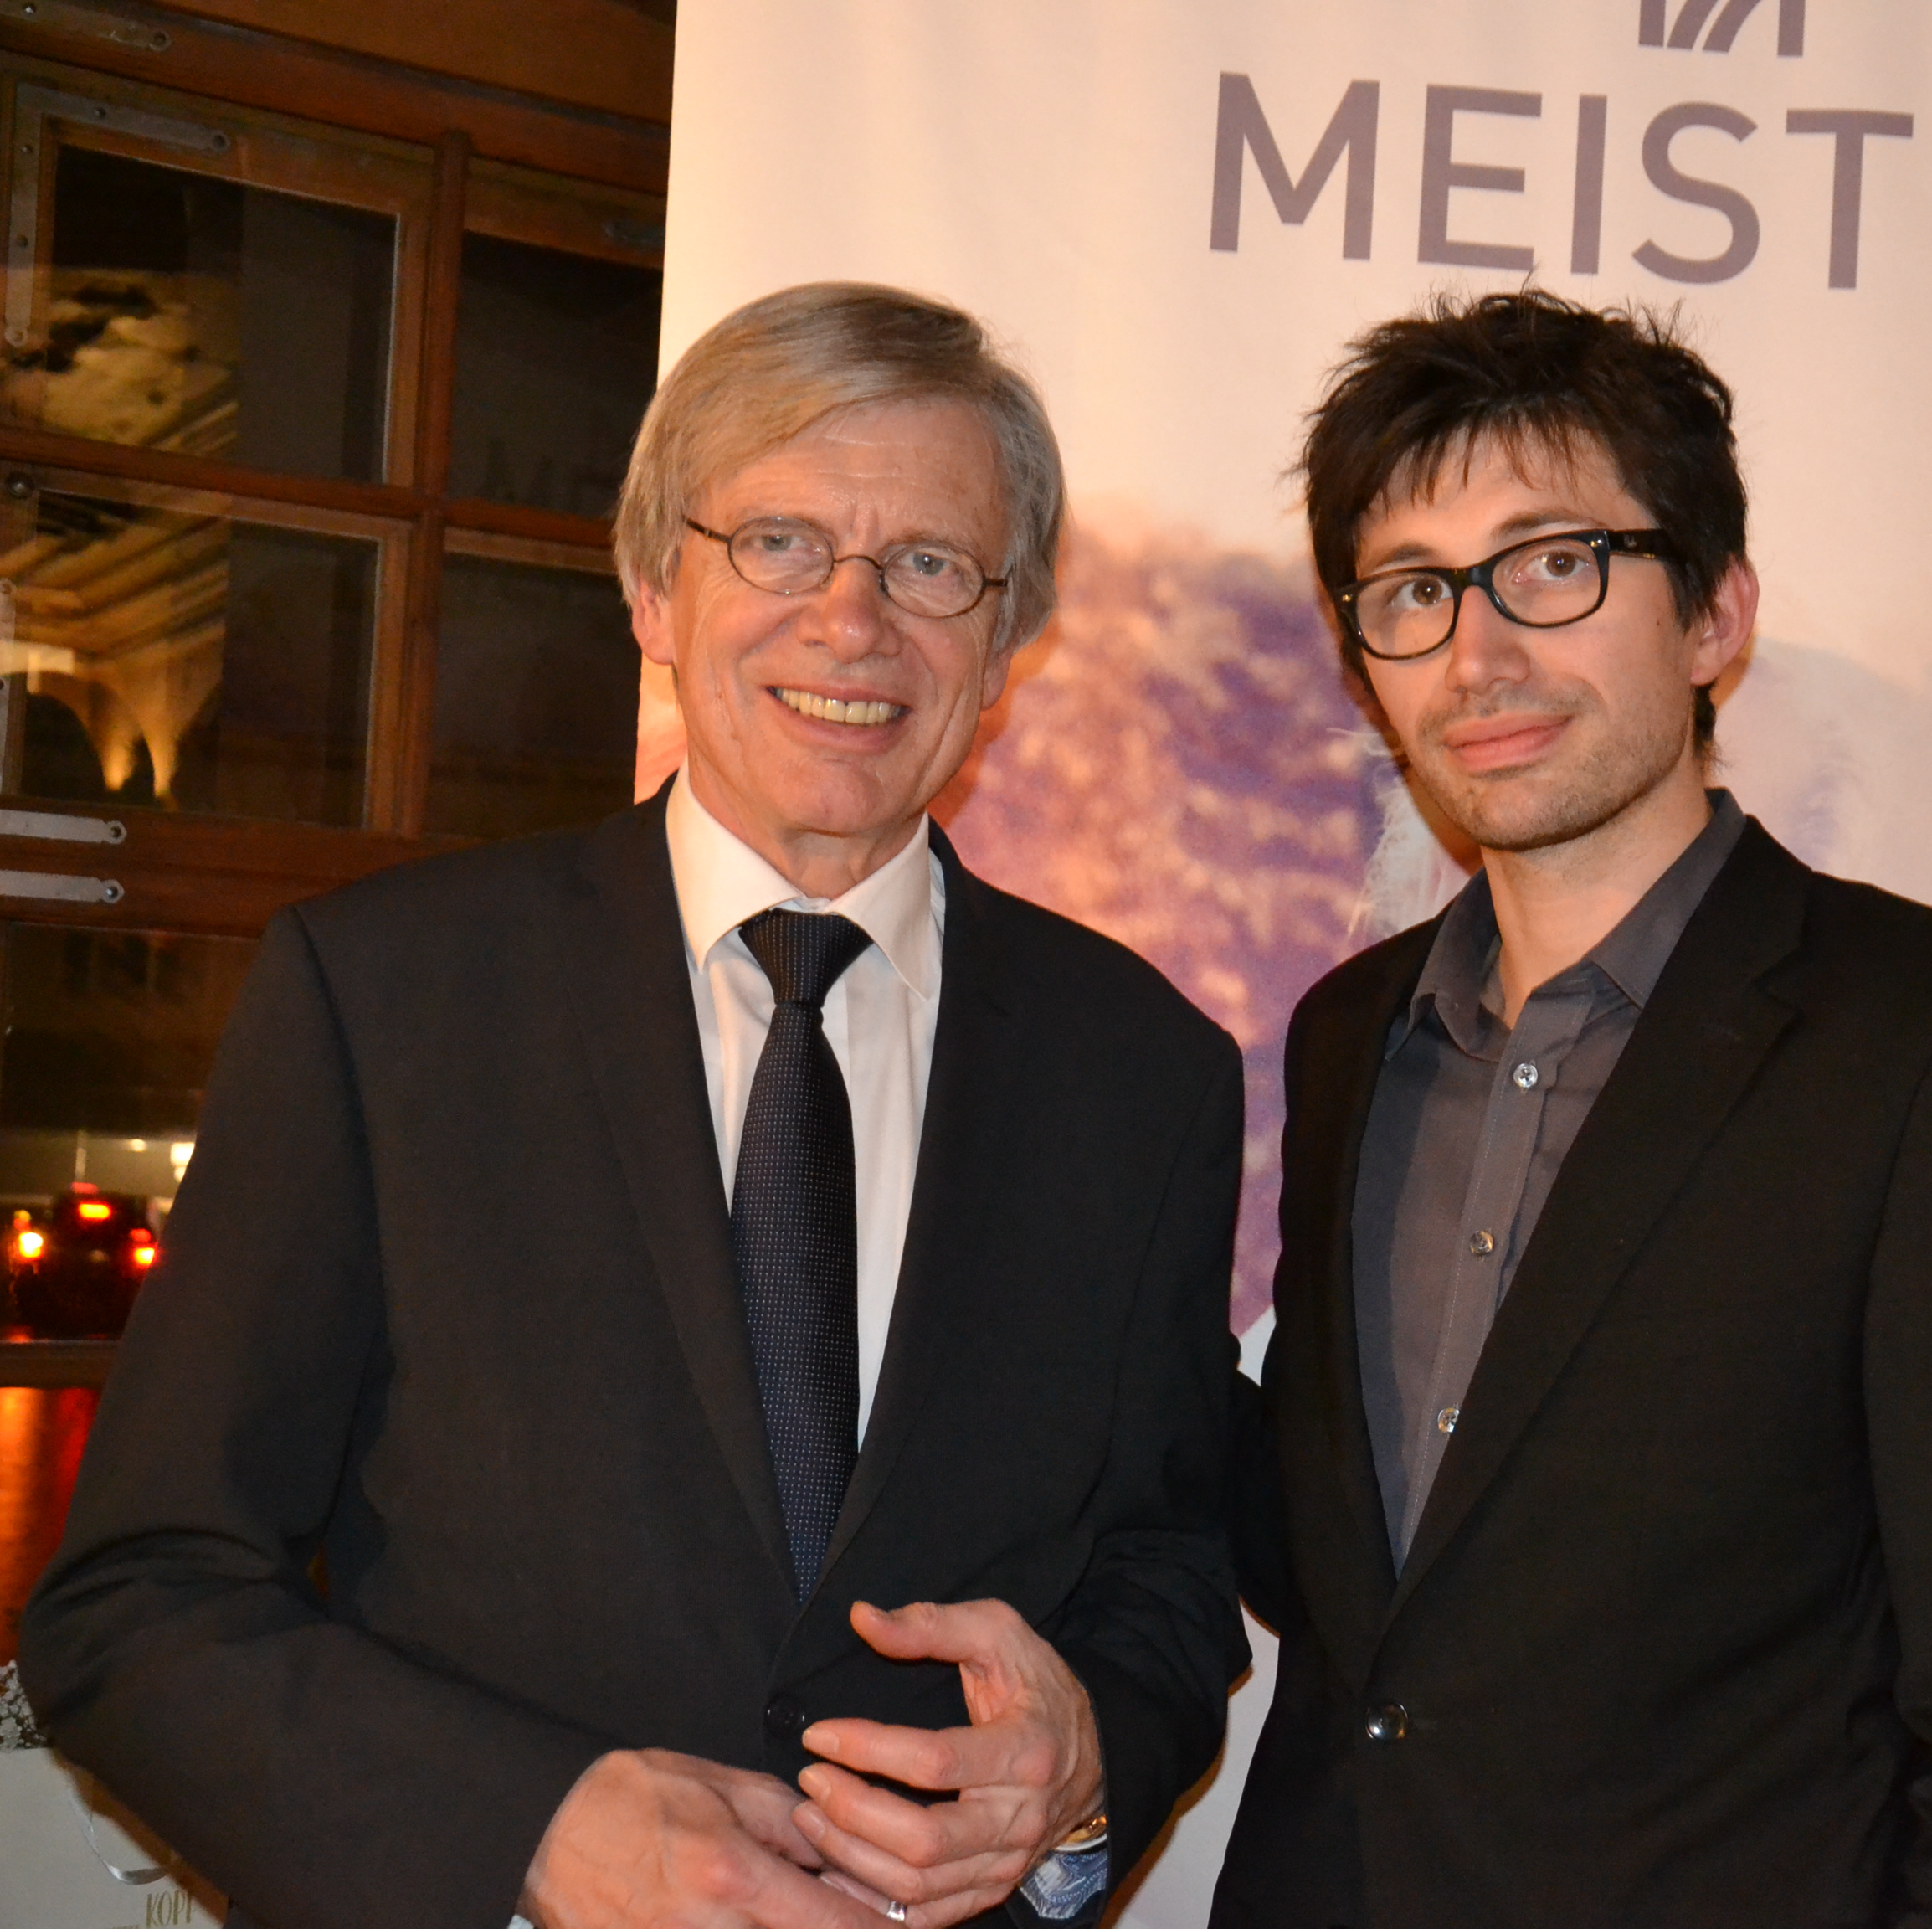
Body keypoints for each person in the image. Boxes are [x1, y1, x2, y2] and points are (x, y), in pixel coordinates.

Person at [22, 283, 1246, 1929]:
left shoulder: (1146, 1069)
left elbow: (1168, 1567)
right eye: (782, 545)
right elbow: (136, 1603)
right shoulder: (383, 999)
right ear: (655, 588)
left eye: (928, 565)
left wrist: (1081, 1768)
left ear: (1007, 636)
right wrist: (530, 1830)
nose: (853, 623)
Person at [1215, 291, 1932, 1926]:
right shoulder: (1354, 1038)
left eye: (1554, 566)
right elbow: (1347, 1574)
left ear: (1715, 615)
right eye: (1415, 592)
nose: (1479, 656)